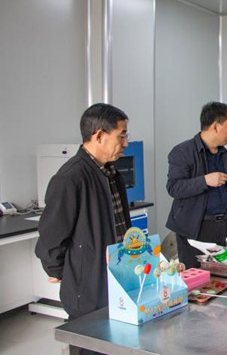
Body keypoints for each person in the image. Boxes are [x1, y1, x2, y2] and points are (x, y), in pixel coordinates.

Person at [35, 104, 131, 322]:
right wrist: (64, 272)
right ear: (99, 136)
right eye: (121, 136)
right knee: (90, 335)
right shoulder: (71, 177)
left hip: (117, 276)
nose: (126, 143)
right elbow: (52, 236)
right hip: (89, 285)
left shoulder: (112, 174)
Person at [166, 102, 227, 268]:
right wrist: (205, 181)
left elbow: (225, 181)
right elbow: (174, 187)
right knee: (196, 279)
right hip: (194, 230)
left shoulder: (223, 153)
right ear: (215, 126)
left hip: (222, 228)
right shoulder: (183, 151)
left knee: (222, 276)